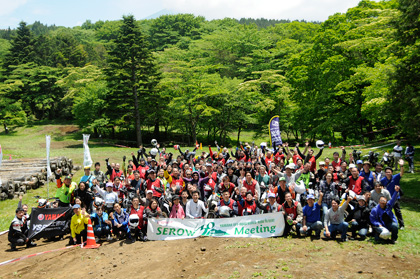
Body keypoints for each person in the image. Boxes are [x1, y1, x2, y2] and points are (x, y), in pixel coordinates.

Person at [380, 161, 405, 229]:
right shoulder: (383, 180)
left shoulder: (395, 177)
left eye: (389, 172)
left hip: (395, 197)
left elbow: (401, 173)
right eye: (386, 172)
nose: (388, 173)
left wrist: (401, 166)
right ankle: (387, 224)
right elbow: (381, 187)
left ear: (392, 173)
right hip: (387, 199)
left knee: (397, 211)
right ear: (385, 173)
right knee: (386, 212)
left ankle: (401, 225)